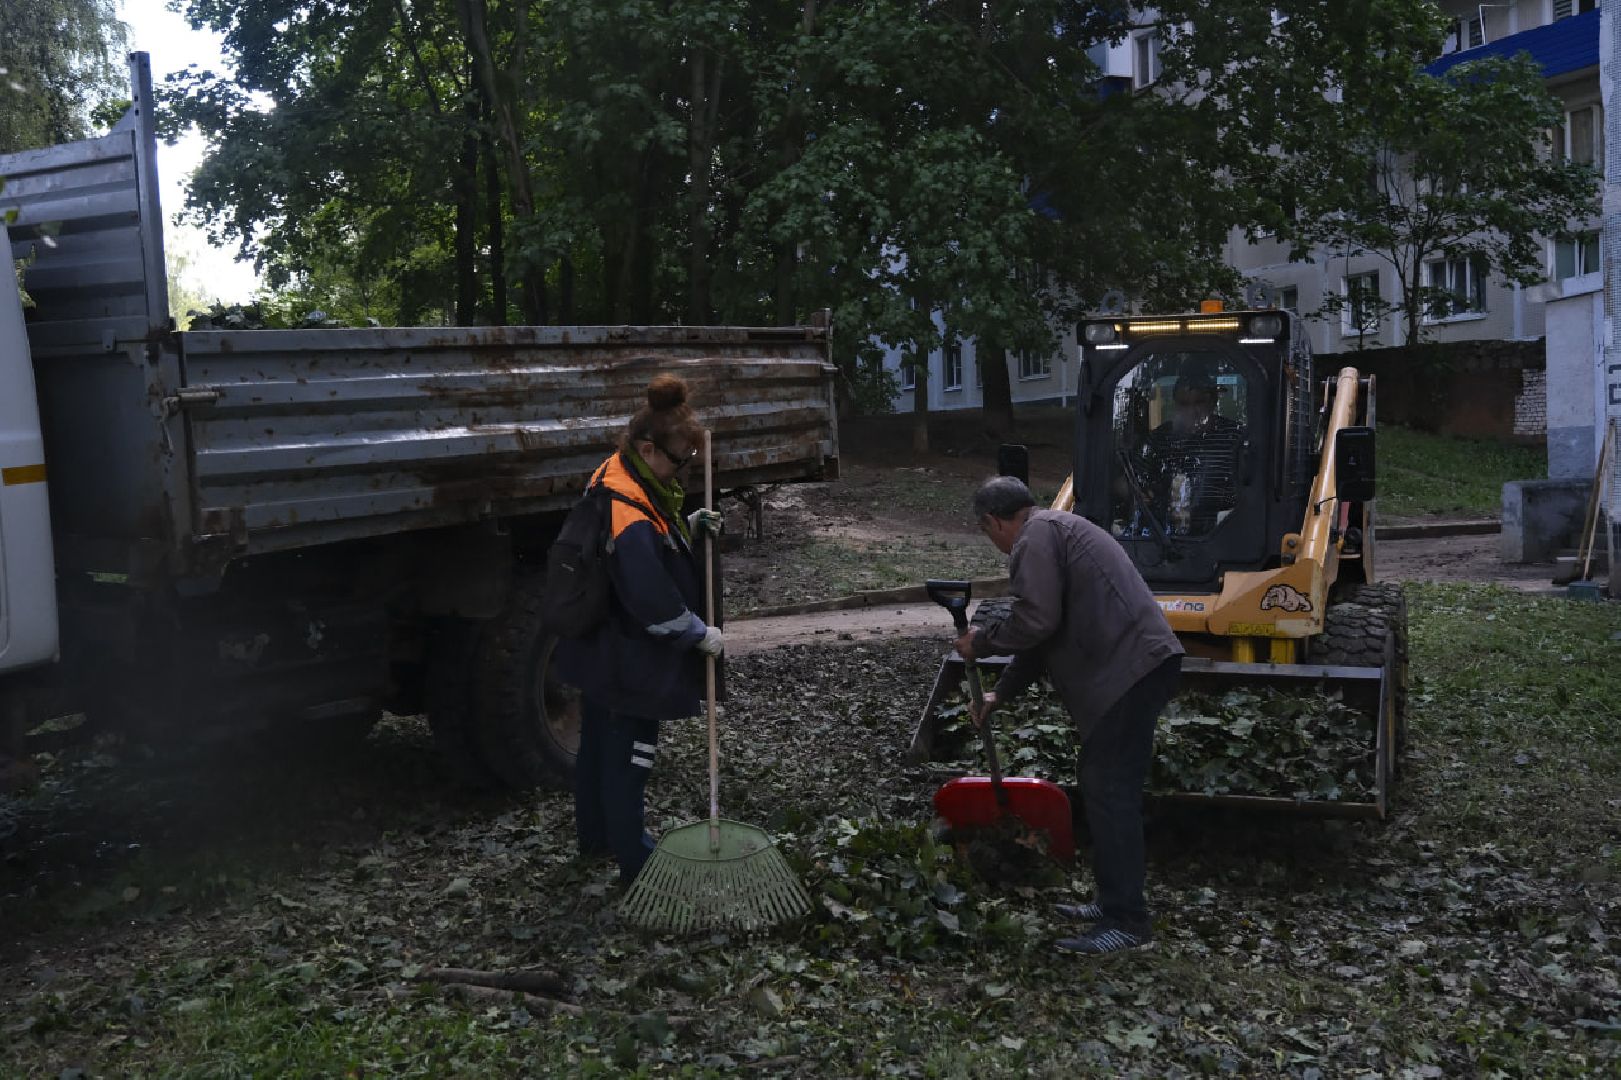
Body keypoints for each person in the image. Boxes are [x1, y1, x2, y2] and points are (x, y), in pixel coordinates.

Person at [955, 476, 1183, 956]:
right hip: (1139, 665)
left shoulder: (1033, 538)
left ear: (995, 522)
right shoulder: (1054, 530)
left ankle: (1128, 923)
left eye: (987, 533)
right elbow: (1043, 636)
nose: (994, 544)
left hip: (1132, 668)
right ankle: (1112, 903)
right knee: (1102, 784)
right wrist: (1000, 695)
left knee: (1110, 790)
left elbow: (1035, 621)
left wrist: (982, 640)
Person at [552, 374, 725, 885]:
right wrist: (697, 632)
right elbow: (650, 597)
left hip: (598, 650)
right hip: (628, 660)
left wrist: (686, 529)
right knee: (629, 759)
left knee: (597, 752)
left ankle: (595, 841)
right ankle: (637, 863)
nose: (682, 472)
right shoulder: (628, 510)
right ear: (649, 449)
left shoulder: (617, 474)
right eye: (677, 461)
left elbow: (642, 540)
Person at [1145, 372, 1244, 535]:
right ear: (1175, 405)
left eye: (1199, 402)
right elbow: (1130, 480)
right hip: (1164, 536)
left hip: (1224, 533)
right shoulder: (1159, 439)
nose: (1192, 411)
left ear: (1213, 402)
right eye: (1184, 404)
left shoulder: (1235, 437)